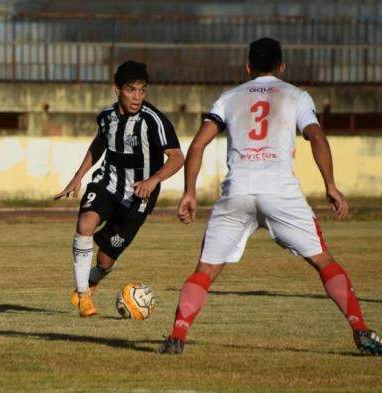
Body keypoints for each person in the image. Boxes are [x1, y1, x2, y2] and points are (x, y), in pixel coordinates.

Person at [158, 38, 381, 355]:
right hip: (280, 191)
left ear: (248, 67)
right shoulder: (295, 95)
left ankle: (177, 336)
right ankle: (361, 330)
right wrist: (330, 184)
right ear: (282, 66)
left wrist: (189, 193)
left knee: (205, 270)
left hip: (238, 190)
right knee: (323, 261)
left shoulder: (229, 97)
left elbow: (196, 146)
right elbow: (315, 136)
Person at [55, 60, 184, 317]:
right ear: (117, 89)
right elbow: (99, 144)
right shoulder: (106, 117)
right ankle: (83, 297)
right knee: (84, 225)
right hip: (108, 182)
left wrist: (152, 181)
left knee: (106, 258)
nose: (137, 97)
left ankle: (93, 280)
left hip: (138, 197)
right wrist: (78, 176)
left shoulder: (153, 120)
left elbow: (177, 157)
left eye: (142, 90)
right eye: (131, 90)